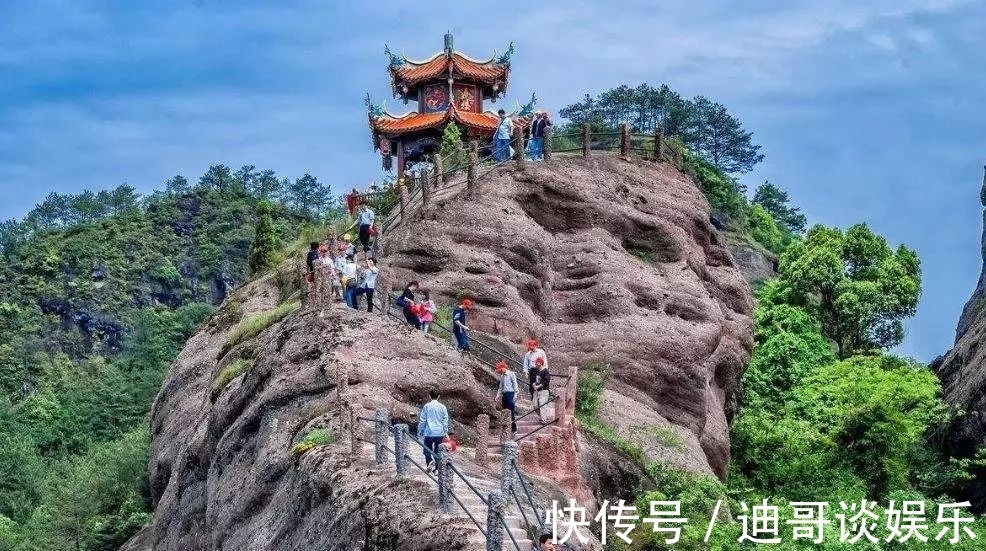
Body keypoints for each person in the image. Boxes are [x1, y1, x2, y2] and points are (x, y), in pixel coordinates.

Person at [417, 388, 450, 473]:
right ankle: (437, 468)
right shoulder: (443, 407)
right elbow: (445, 421)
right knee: (437, 450)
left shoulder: (426, 406)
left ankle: (429, 462)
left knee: (426, 449)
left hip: (429, 432)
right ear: (439, 396)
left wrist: (420, 430)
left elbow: (423, 420)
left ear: (429, 396)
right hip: (439, 432)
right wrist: (445, 432)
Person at [495, 360, 518, 434]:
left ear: (503, 368)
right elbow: (500, 387)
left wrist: (515, 395)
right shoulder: (502, 376)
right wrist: (497, 396)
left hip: (510, 394)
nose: (500, 372)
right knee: (504, 412)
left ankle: (514, 428)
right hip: (504, 395)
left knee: (511, 411)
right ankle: (505, 429)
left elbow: (515, 385)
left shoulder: (511, 374)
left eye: (500, 370)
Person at [533, 357, 552, 423]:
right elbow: (538, 380)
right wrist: (534, 384)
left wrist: (538, 386)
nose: (535, 364)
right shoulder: (538, 371)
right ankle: (542, 416)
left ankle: (544, 420)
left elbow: (546, 381)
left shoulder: (545, 371)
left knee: (542, 405)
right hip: (537, 391)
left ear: (540, 363)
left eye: (536, 362)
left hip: (544, 391)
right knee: (535, 405)